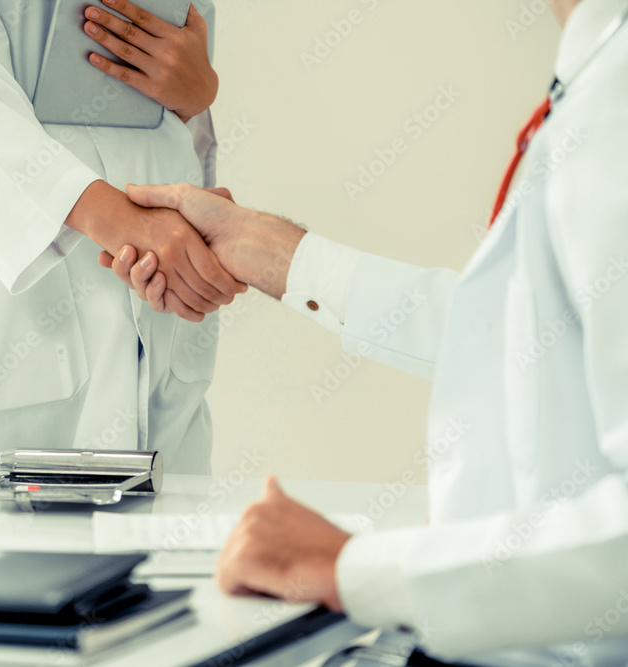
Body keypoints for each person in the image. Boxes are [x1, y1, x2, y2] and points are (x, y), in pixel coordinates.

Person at [99, 0, 628, 663]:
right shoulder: (599, 74)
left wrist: (354, 567)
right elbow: (518, 335)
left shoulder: (615, 105)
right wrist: (274, 253)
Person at [0, 0, 245, 474]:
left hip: (152, 303)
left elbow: (166, 102)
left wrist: (194, 96)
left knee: (158, 530)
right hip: (2, 303)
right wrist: (127, 225)